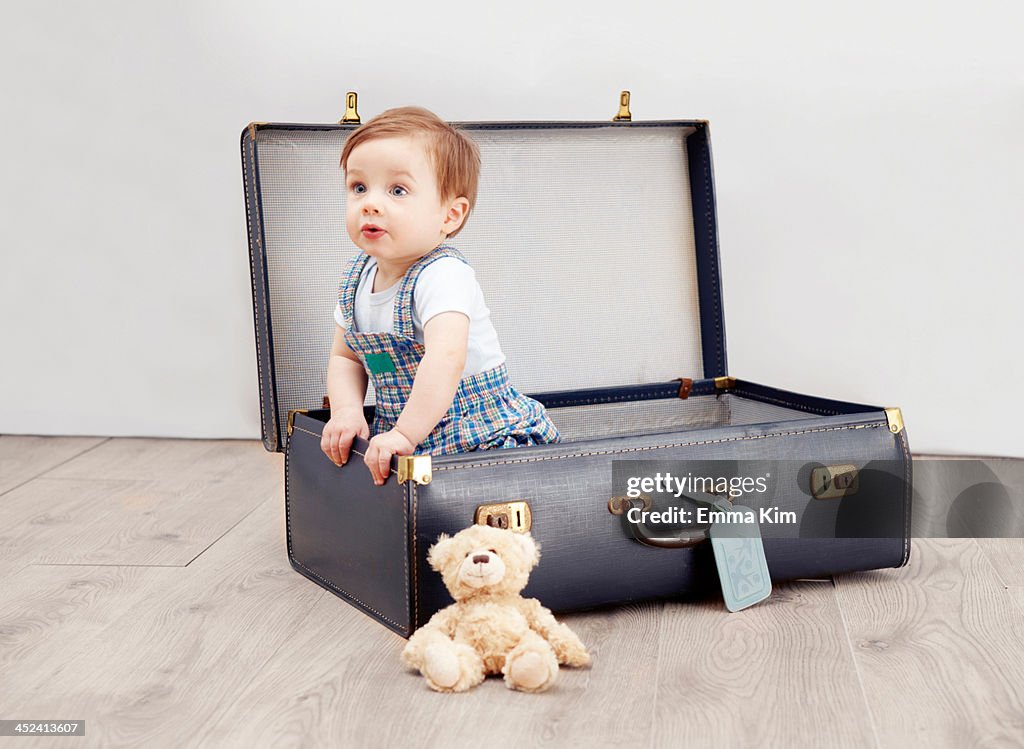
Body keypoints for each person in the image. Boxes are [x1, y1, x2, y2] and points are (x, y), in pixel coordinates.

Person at [320, 106, 559, 485]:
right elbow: (345, 357)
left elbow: (445, 358)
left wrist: (405, 435)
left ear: (450, 215)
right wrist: (348, 411)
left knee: (496, 486)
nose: (370, 202)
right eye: (358, 187)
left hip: (477, 429)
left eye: (397, 190)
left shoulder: (442, 274)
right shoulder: (356, 279)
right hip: (402, 429)